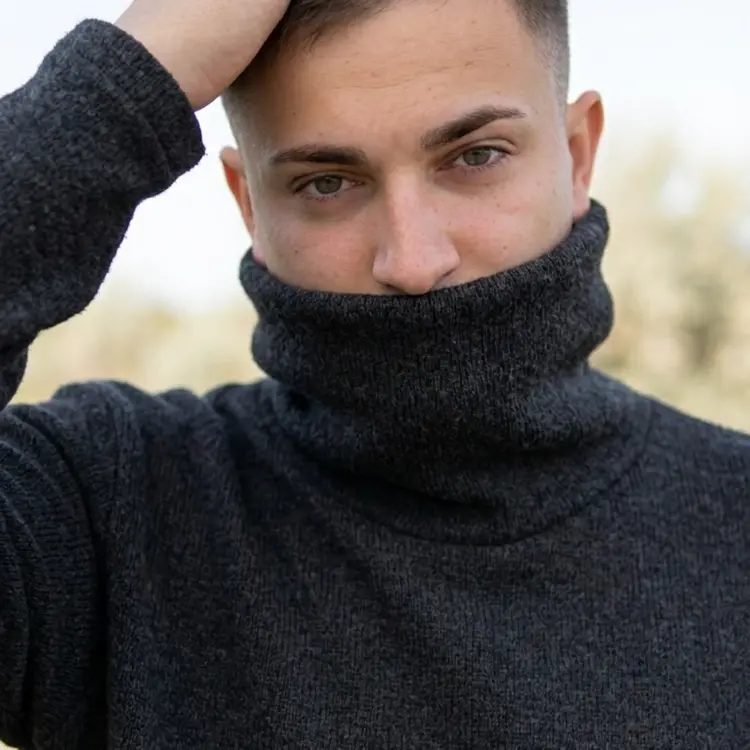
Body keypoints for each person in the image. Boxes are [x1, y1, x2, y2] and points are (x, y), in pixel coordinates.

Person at [0, 0, 748, 746]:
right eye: (327, 183)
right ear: (249, 206)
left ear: (578, 155)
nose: (413, 261)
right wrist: (131, 76)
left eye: (476, 156)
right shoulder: (103, 508)